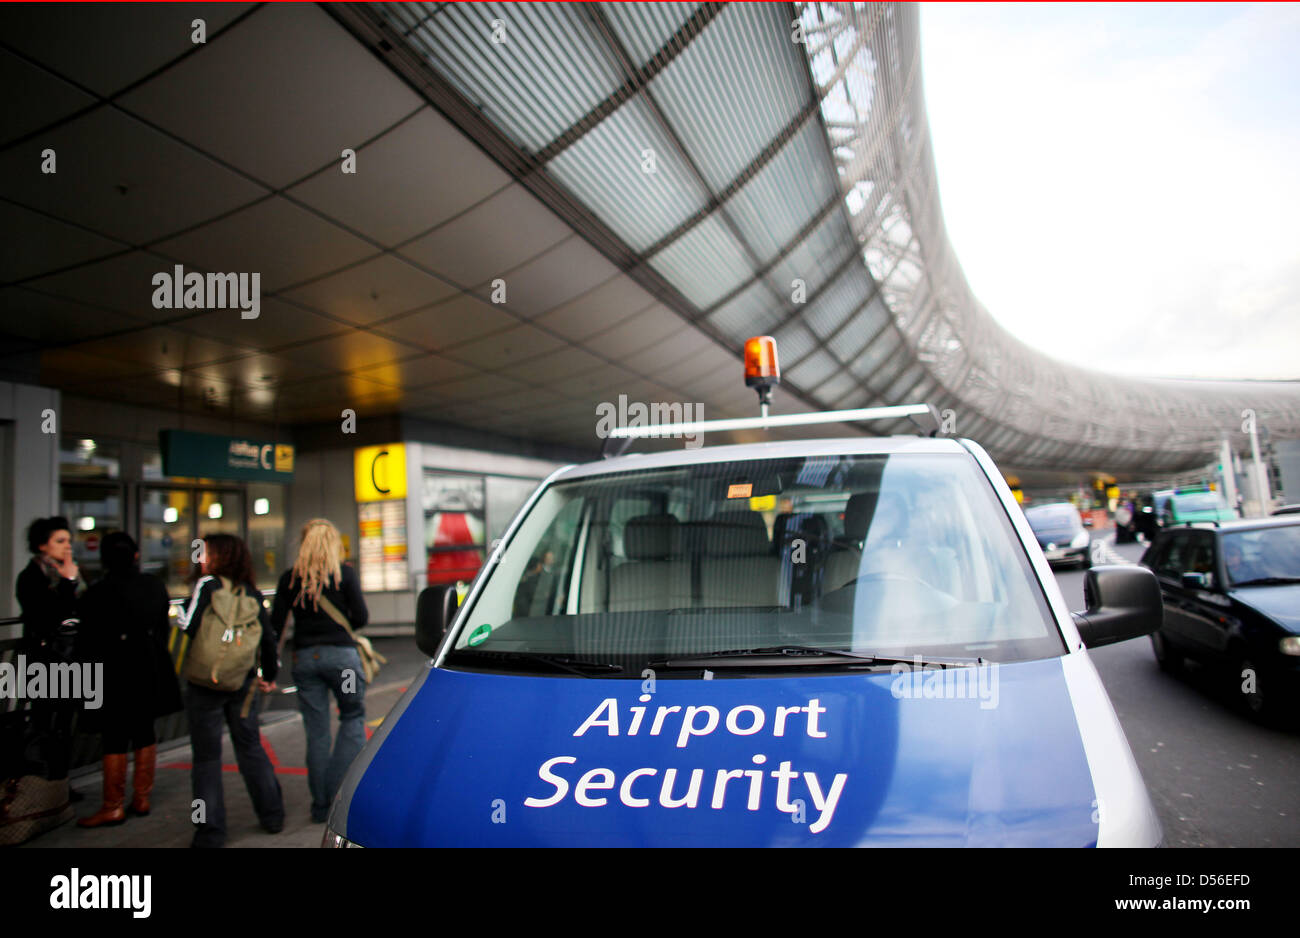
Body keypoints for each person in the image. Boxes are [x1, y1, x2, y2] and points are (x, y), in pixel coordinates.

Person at [175, 533, 283, 847]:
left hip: (205, 683)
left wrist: (181, 608)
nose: (200, 557)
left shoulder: (206, 585)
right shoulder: (251, 592)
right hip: (243, 682)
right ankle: (272, 815)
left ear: (217, 556)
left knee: (207, 759)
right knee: (250, 748)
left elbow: (189, 625)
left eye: (204, 552)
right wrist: (269, 675)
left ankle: (210, 831)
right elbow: (267, 639)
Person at [75, 532, 183, 828]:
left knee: (115, 736)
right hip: (148, 668)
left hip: (113, 673)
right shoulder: (153, 586)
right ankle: (142, 798)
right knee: (144, 731)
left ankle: (112, 806)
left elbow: (86, 640)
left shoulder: (96, 593)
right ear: (136, 556)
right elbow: (162, 627)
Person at [270, 519, 368, 824]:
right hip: (343, 661)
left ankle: (320, 804)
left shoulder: (290, 578)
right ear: (333, 543)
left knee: (316, 732)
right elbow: (361, 618)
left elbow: (275, 624)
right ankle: (338, 794)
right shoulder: (344, 575)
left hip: (304, 661)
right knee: (352, 716)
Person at [15, 516, 84, 787]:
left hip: (70, 657)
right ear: (42, 546)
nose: (67, 546)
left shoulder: (68, 572)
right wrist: (68, 583)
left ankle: (60, 783)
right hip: (44, 658)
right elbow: (50, 616)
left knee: (65, 723)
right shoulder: (31, 577)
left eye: (69, 540)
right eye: (60, 541)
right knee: (45, 722)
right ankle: (44, 784)